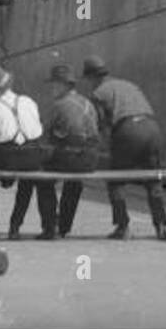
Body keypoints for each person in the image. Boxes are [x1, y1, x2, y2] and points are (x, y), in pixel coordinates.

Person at [82, 56, 166, 240]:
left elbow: (101, 124)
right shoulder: (129, 85)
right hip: (152, 128)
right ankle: (161, 226)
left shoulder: (98, 93)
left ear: (91, 77)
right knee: (153, 179)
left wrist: (99, 146)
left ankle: (123, 226)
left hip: (128, 130)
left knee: (115, 180)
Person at [0, 65, 51, 238]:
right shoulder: (28, 101)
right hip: (32, 153)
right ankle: (15, 227)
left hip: (5, 155)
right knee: (29, 181)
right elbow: (38, 129)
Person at [40, 63, 101, 239]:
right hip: (90, 158)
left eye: (53, 84)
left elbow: (45, 132)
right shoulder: (88, 103)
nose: (52, 88)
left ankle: (50, 227)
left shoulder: (60, 105)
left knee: (44, 179)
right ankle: (65, 227)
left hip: (71, 155)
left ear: (62, 85)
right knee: (74, 182)